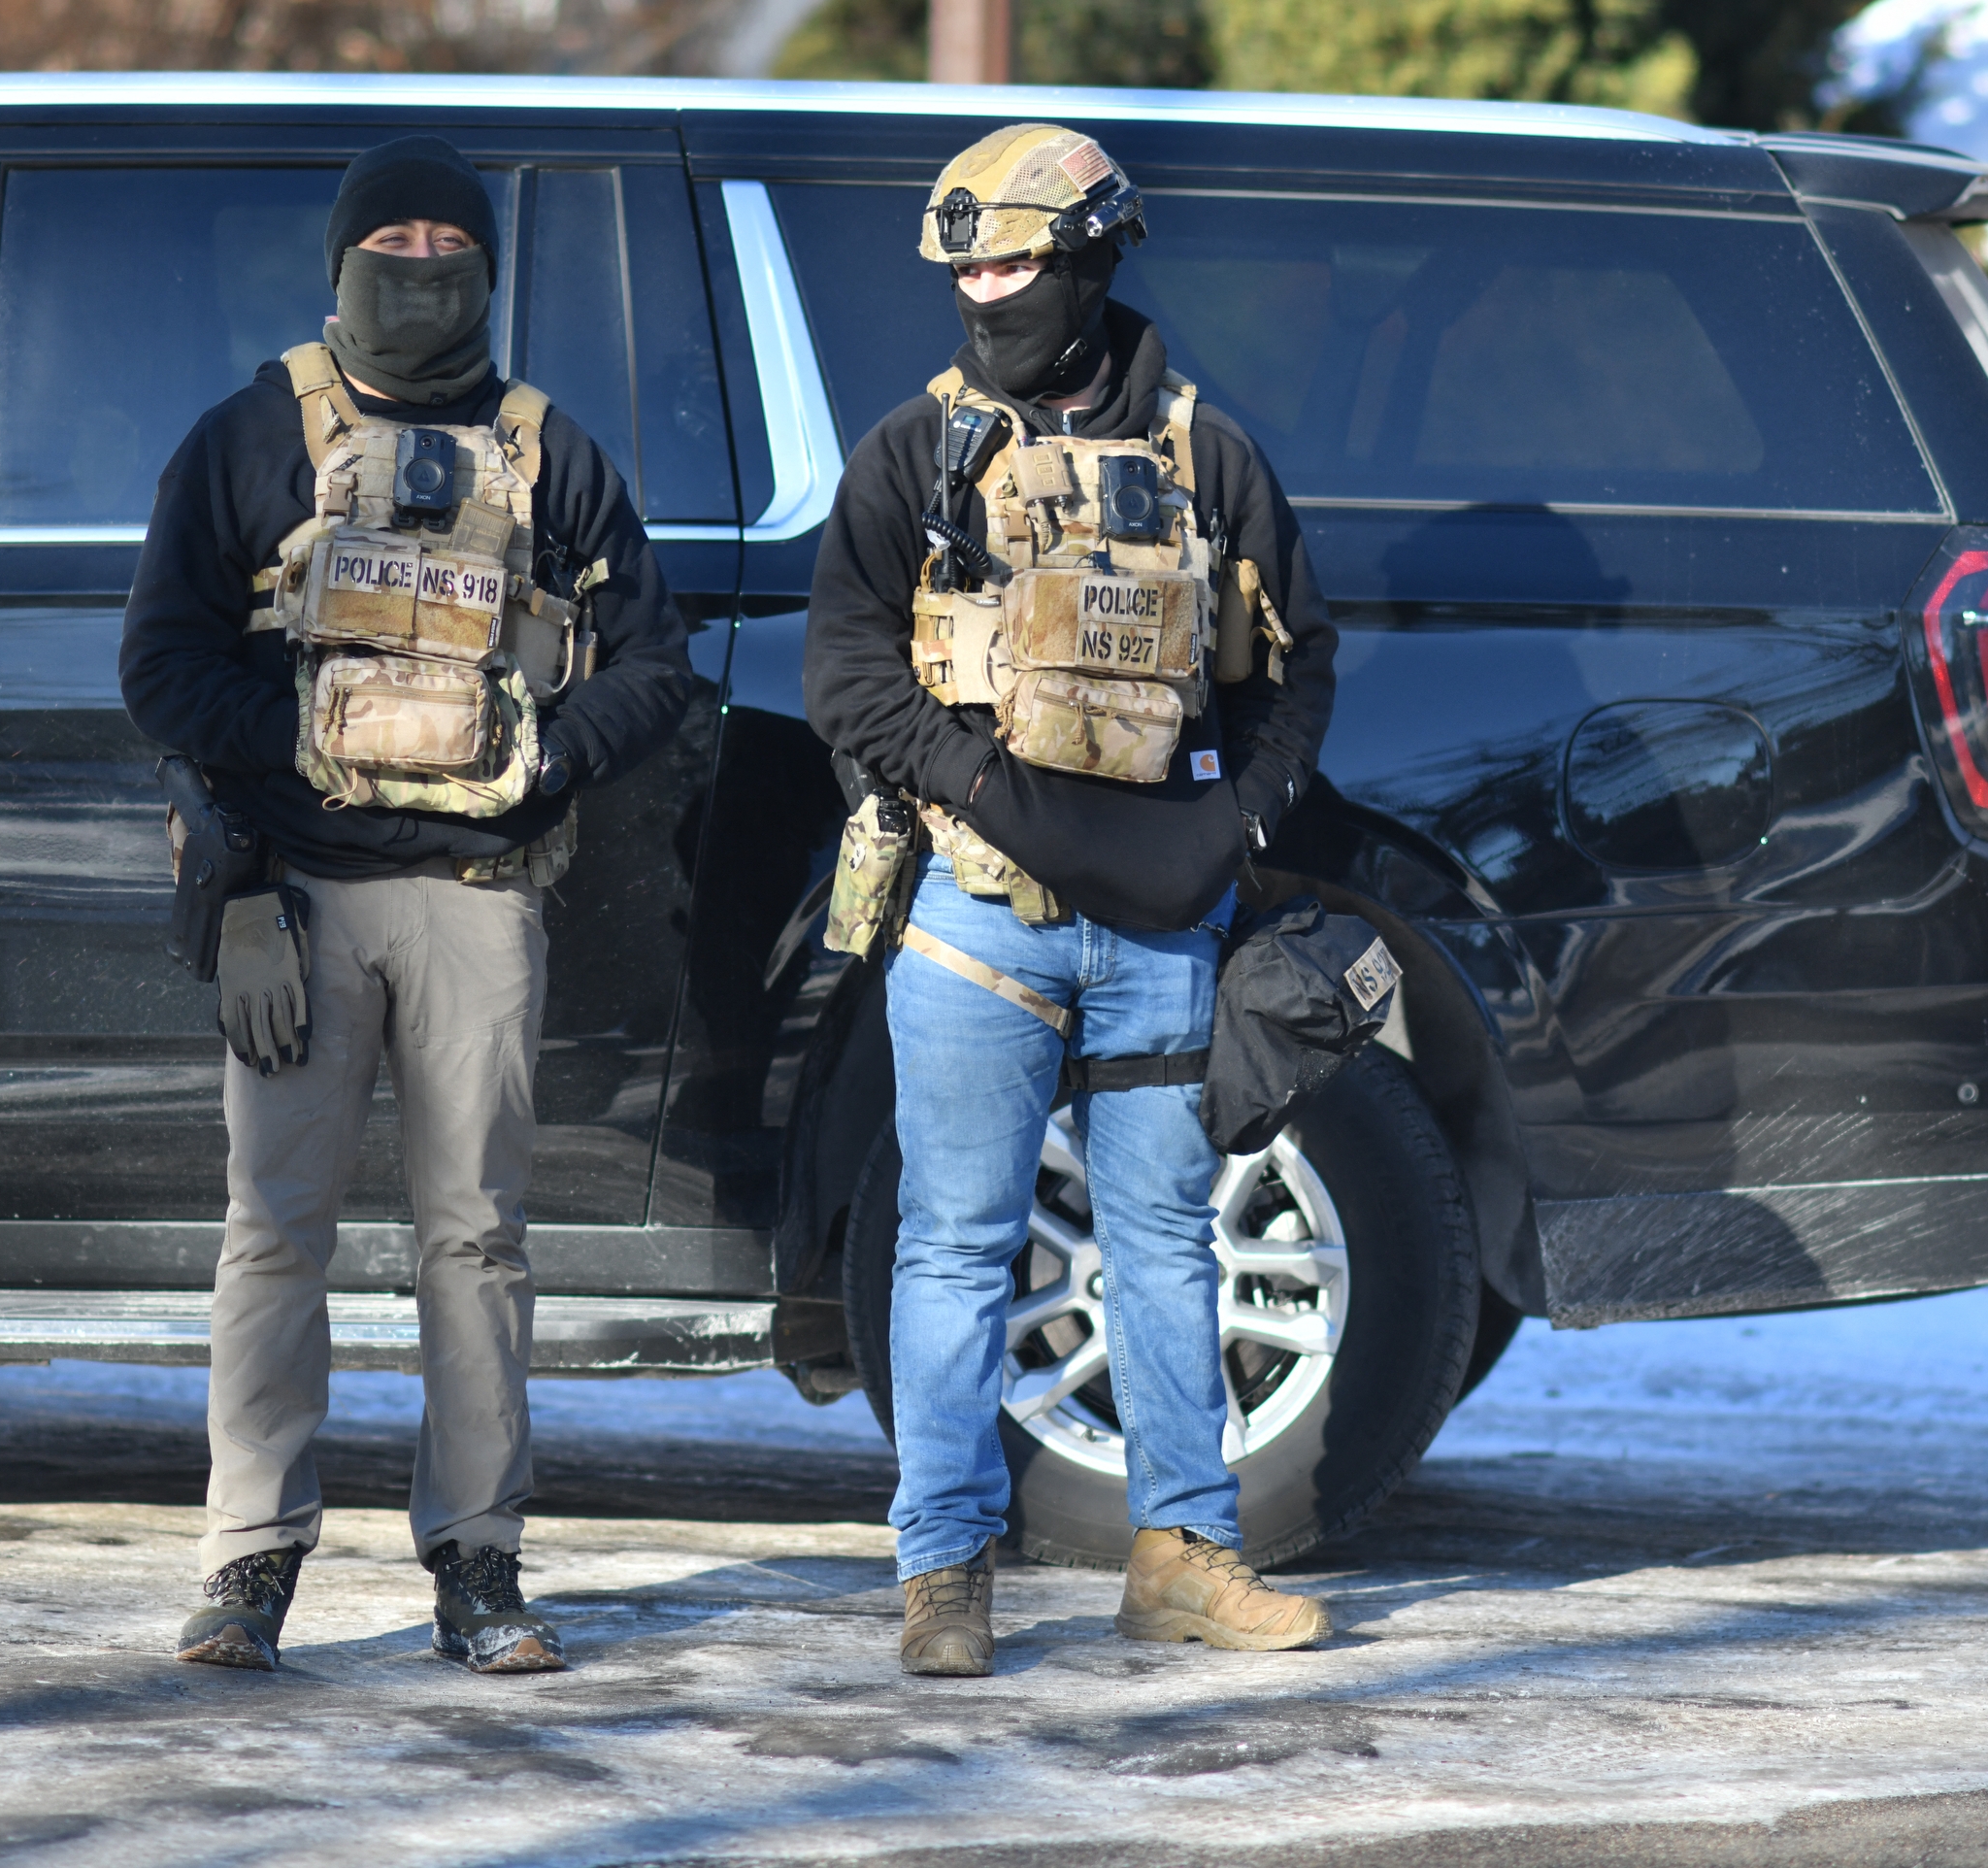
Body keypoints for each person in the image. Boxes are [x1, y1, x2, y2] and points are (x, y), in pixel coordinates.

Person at [119, 136, 692, 1677]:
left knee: (479, 1243)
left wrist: (550, 752)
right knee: (273, 1239)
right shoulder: (249, 437)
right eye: (396, 240)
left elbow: (656, 663)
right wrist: (289, 760)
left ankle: (481, 1567)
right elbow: (162, 671)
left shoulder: (546, 454)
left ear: (490, 270)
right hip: (296, 899)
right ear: (342, 258)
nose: (422, 265)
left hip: (476, 897)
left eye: (453, 242)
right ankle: (248, 1568)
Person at [804, 123, 1342, 1677]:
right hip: (975, 916)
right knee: (957, 1248)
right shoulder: (914, 455)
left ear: (1093, 257)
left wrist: (1229, 831)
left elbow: (1296, 676)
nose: (984, 291)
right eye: (963, 269)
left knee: (1169, 1246)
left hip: (1164, 927)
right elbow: (843, 671)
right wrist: (986, 796)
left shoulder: (1206, 456)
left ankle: (1188, 1554)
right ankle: (944, 1575)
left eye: (1012, 262)